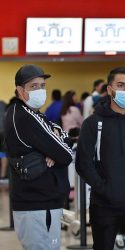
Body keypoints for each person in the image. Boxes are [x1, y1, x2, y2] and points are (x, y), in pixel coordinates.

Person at [76, 67, 125, 250]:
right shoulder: (93, 123)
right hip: (105, 207)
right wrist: (105, 189)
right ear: (110, 89)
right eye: (120, 85)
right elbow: (83, 164)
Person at [4, 64, 73, 249]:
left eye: (42, 85)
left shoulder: (33, 114)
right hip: (37, 205)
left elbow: (64, 136)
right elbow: (66, 155)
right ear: (20, 90)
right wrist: (55, 150)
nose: (40, 90)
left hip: (41, 203)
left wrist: (55, 149)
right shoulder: (24, 116)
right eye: (33, 86)